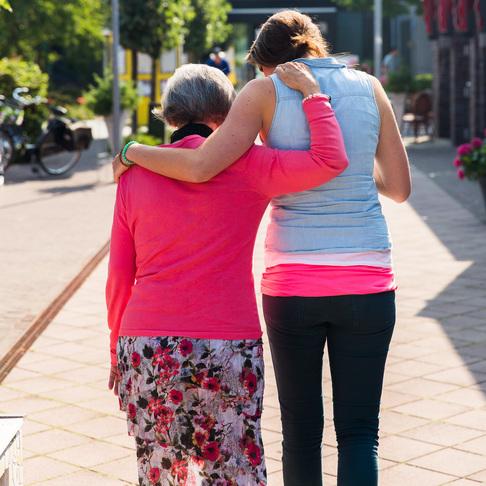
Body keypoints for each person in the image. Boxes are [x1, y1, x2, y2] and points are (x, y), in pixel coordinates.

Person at [112, 10, 411, 485]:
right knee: (359, 431)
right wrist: (356, 173)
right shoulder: (370, 88)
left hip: (293, 280)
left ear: (267, 63)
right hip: (368, 274)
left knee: (301, 428)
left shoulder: (265, 91)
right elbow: (397, 187)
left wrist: (132, 153)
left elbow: (203, 165)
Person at [107, 62, 348, 486]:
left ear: (170, 114)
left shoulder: (135, 172)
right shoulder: (250, 164)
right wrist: (313, 96)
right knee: (235, 468)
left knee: (161, 472)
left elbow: (119, 277)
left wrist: (116, 350)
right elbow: (329, 160)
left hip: (145, 341)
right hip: (228, 342)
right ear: (226, 113)